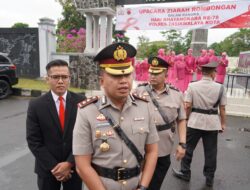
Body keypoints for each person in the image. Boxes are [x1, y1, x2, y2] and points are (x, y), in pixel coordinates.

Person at [73, 42, 159, 190]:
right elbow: (82, 165)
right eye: (116, 75)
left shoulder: (145, 107)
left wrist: (144, 186)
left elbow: (152, 151)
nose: (124, 81)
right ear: (102, 81)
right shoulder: (87, 111)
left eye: (127, 74)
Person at [26, 59, 86, 190]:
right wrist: (55, 167)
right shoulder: (36, 105)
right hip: (47, 170)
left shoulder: (82, 102)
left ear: (70, 78)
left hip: (74, 169)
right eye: (55, 77)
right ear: (47, 79)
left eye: (64, 77)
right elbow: (34, 140)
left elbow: (86, 138)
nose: (60, 81)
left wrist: (69, 163)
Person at [135, 56, 187, 190]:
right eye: (151, 72)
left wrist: (182, 143)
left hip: (163, 149)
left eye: (157, 73)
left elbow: (181, 119)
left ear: (166, 74)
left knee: (154, 185)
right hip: (140, 147)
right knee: (136, 184)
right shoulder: (138, 92)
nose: (152, 75)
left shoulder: (176, 95)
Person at [172, 61, 227, 187]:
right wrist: (223, 123)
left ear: (202, 73)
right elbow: (222, 108)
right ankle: (209, 178)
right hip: (212, 123)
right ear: (213, 73)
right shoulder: (220, 88)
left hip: (195, 121)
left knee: (188, 148)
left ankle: (185, 172)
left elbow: (188, 105)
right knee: (211, 152)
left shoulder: (193, 86)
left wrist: (186, 119)